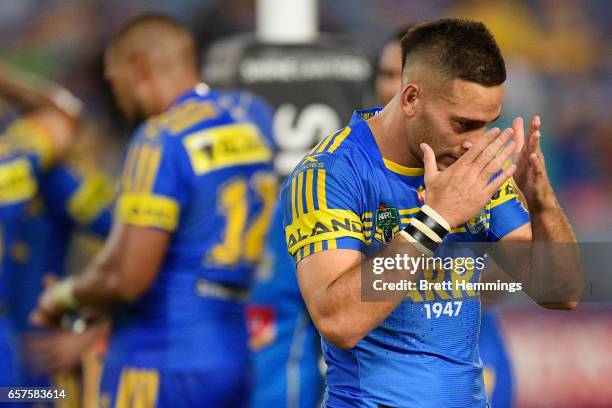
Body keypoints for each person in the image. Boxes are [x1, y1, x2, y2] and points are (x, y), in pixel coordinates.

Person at [281, 18, 581, 407]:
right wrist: (435, 220)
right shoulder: (330, 173)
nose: (475, 144)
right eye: (463, 124)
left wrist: (541, 200)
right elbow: (339, 322)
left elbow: (561, 294)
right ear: (410, 98)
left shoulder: (472, 167)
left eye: (487, 125)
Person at [32, 14, 276, 407]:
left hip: (158, 361)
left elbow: (128, 279)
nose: (117, 97)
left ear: (138, 68)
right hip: (231, 354)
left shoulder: (158, 138)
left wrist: (63, 296)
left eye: (114, 82)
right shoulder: (252, 118)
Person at [374, 25, 516, 407]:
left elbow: (548, 280)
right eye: (387, 75)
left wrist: (469, 286)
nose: (393, 87)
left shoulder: (470, 162)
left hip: (467, 349)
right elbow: (338, 312)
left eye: (400, 75)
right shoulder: (345, 167)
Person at [0, 67, 81, 393]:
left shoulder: (17, 161)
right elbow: (65, 115)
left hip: (23, 346)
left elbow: (65, 116)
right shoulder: (13, 161)